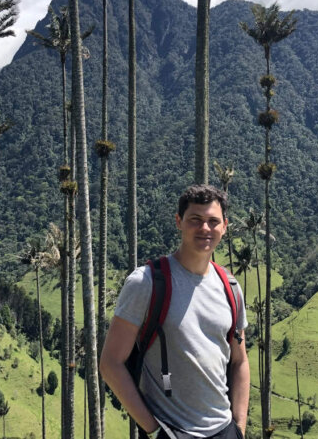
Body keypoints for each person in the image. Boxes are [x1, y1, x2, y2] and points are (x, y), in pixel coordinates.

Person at [100, 185, 249, 439]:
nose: (205, 228)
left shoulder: (230, 287)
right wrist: (155, 430)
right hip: (174, 432)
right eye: (195, 220)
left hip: (225, 430)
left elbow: (239, 361)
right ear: (179, 222)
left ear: (224, 226)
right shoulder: (146, 283)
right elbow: (110, 363)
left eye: (213, 221)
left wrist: (239, 427)